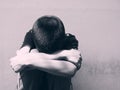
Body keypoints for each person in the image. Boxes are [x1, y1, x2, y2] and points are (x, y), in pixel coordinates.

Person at [10, 15, 82, 90]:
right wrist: (62, 54)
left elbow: (70, 69)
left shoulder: (68, 39)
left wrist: (30, 61)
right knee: (32, 54)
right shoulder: (33, 34)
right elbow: (18, 62)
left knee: (61, 64)